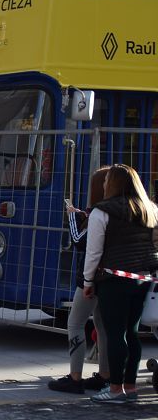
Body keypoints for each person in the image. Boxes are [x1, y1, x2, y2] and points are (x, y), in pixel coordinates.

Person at [83, 164, 158, 404]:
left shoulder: (101, 212)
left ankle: (115, 389)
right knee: (132, 333)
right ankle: (130, 386)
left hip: (113, 279)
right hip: (143, 278)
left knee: (115, 334)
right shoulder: (150, 210)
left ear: (113, 184)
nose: (103, 185)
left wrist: (87, 280)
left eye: (106, 182)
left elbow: (93, 252)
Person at [49, 166, 110, 394]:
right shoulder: (122, 211)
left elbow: (79, 240)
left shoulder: (99, 212)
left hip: (91, 277)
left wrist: (73, 216)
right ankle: (105, 375)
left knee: (75, 324)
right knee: (102, 326)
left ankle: (75, 377)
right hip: (111, 277)